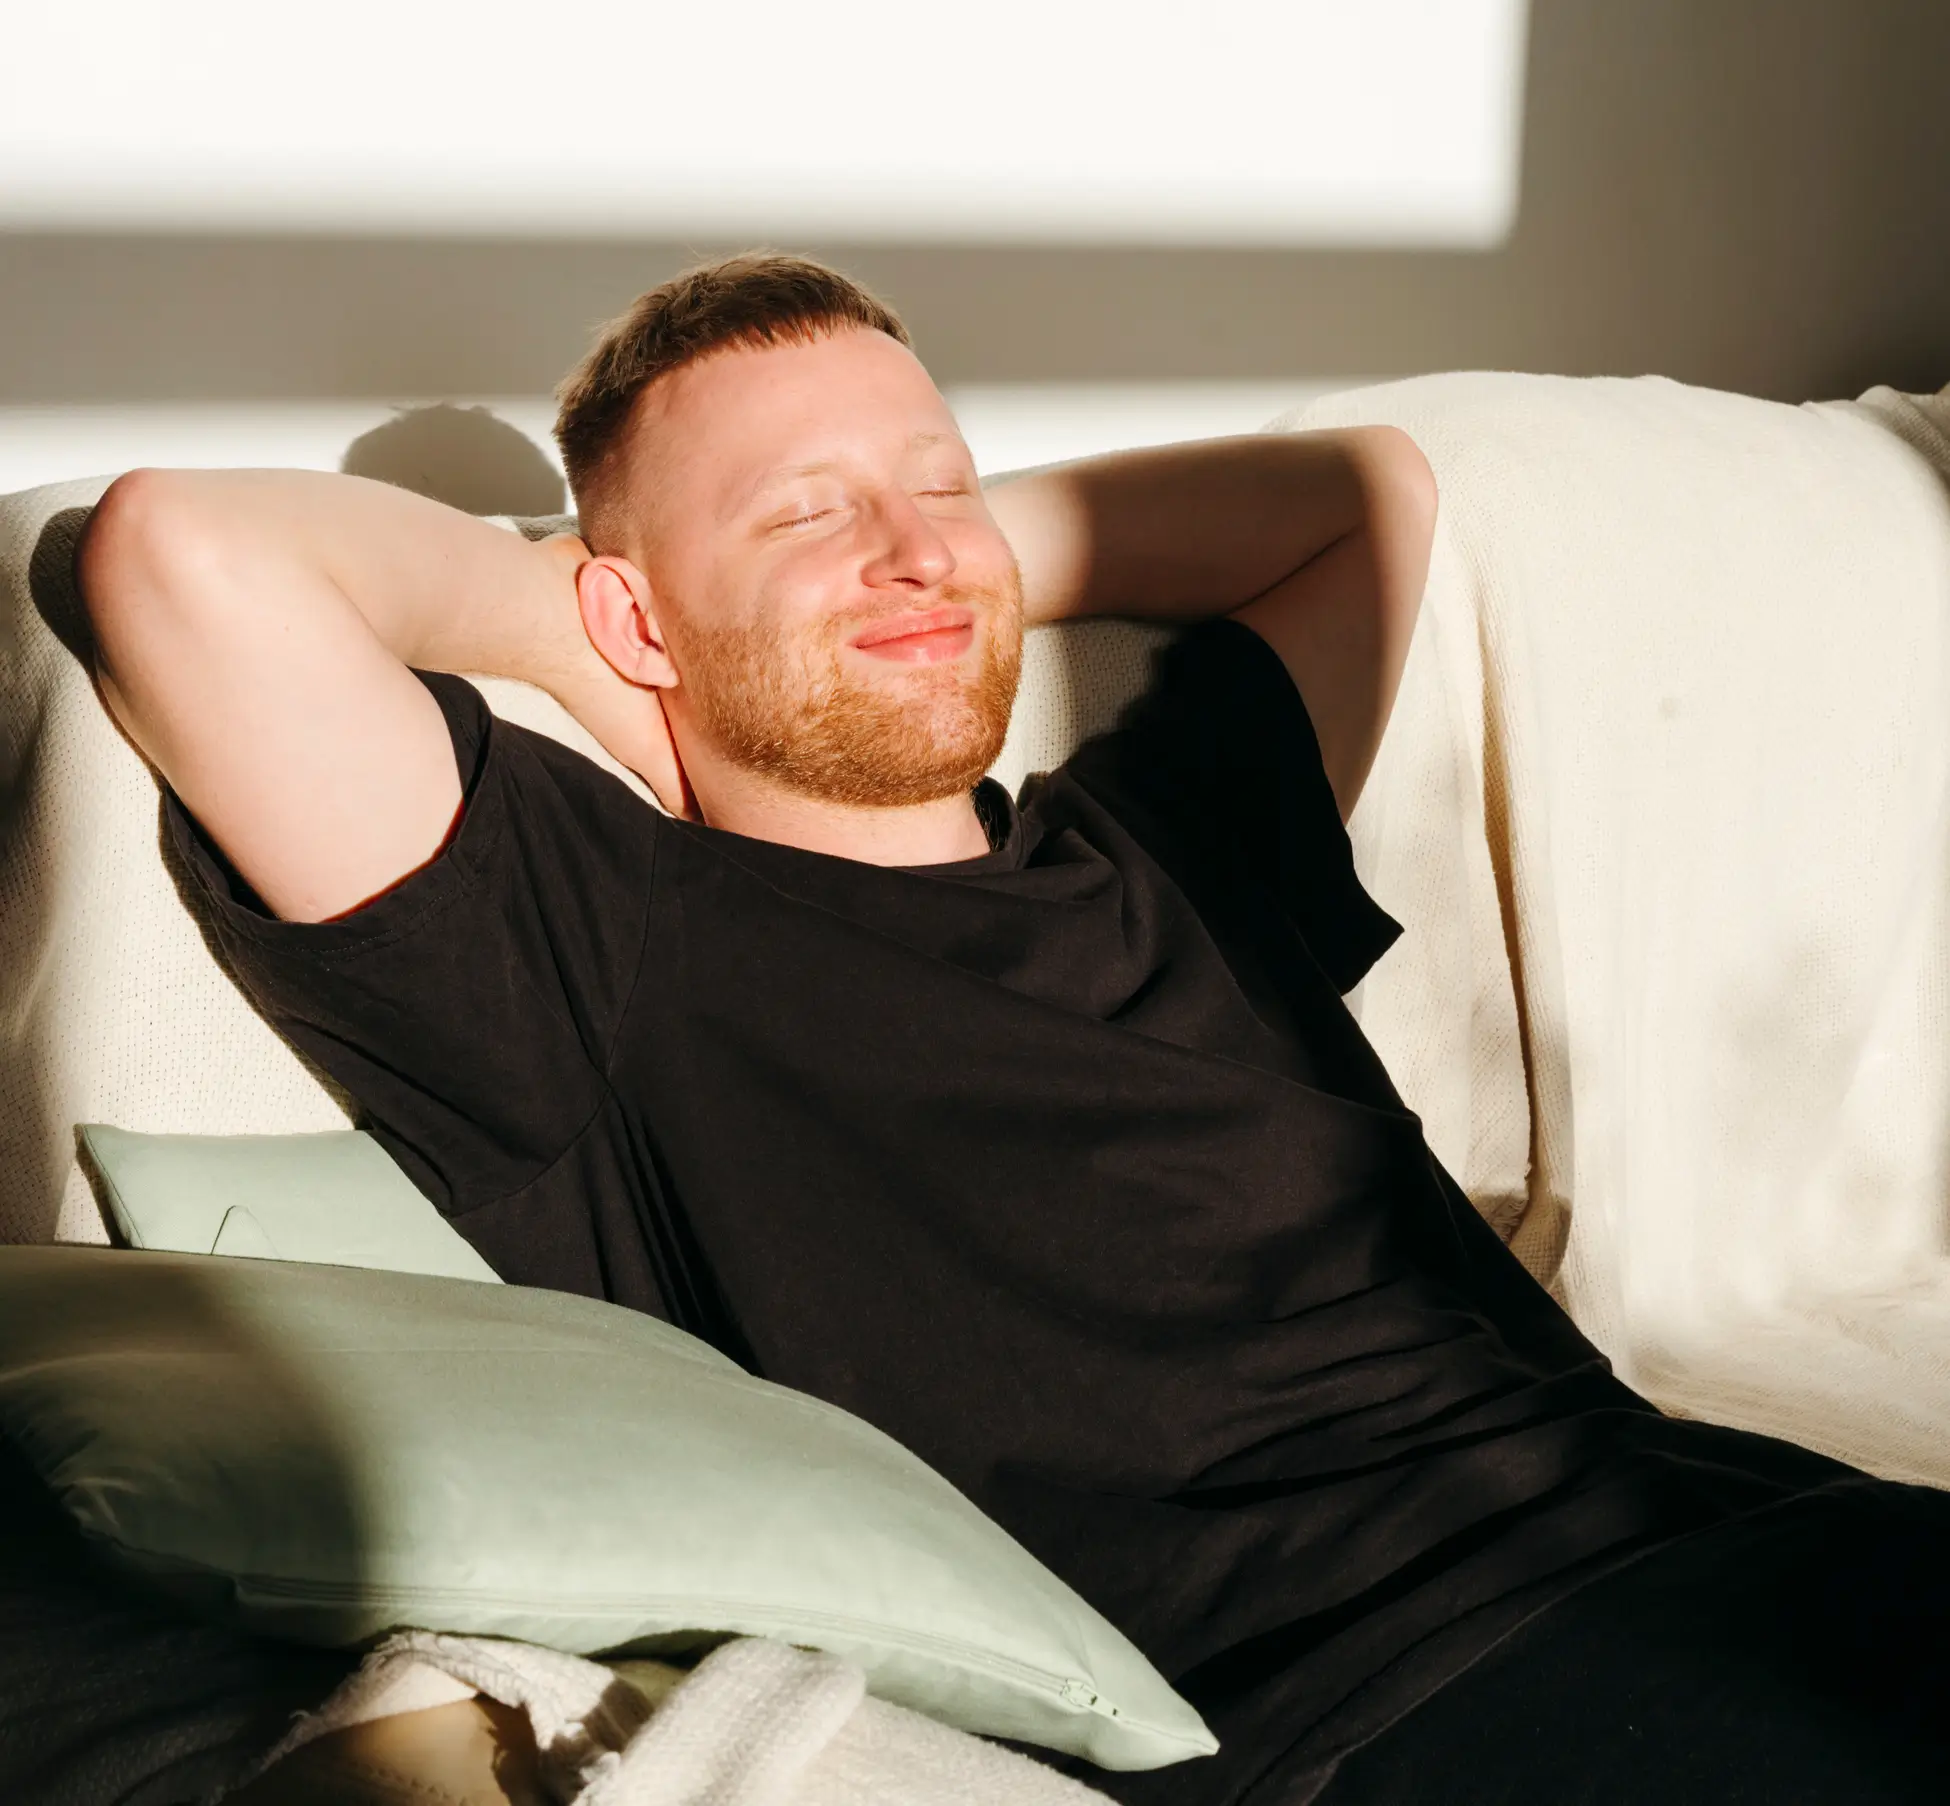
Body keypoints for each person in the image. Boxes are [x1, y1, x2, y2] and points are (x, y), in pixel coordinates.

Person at [76, 254, 1950, 1805]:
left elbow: (1363, 494)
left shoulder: (1178, 837)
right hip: (1407, 1691)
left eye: (944, 480)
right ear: (631, 604)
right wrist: (579, 623)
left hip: (1746, 1535)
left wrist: (924, 549)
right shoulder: (609, 947)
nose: (910, 550)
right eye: (805, 511)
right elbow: (178, 557)